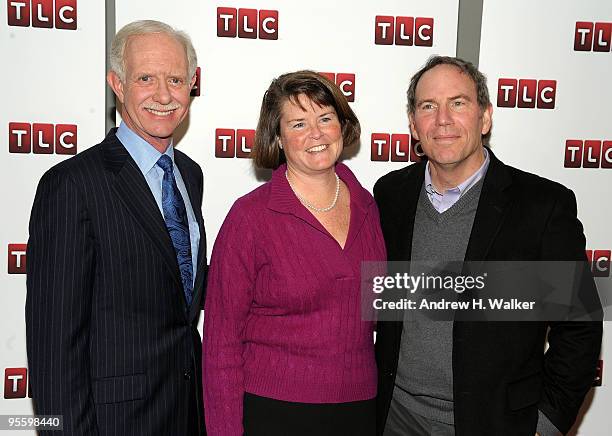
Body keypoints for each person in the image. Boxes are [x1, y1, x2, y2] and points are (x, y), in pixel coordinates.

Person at [373, 56, 602, 436]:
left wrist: (545, 425)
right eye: (428, 106)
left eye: (458, 103)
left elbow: (579, 328)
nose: (442, 119)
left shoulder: (541, 206)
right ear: (413, 125)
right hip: (396, 419)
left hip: (495, 423)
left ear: (485, 118)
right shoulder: (390, 194)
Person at [26, 20, 207, 435]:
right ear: (118, 85)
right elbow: (55, 352)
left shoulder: (190, 176)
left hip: (187, 416)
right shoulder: (72, 184)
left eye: (176, 79)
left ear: (191, 85)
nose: (164, 95)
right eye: (146, 78)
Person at [202, 70, 386, 436]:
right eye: (298, 123)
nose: (315, 133)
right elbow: (221, 341)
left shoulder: (370, 206)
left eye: (325, 118)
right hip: (274, 413)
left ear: (342, 126)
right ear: (279, 138)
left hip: (361, 410)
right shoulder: (250, 217)